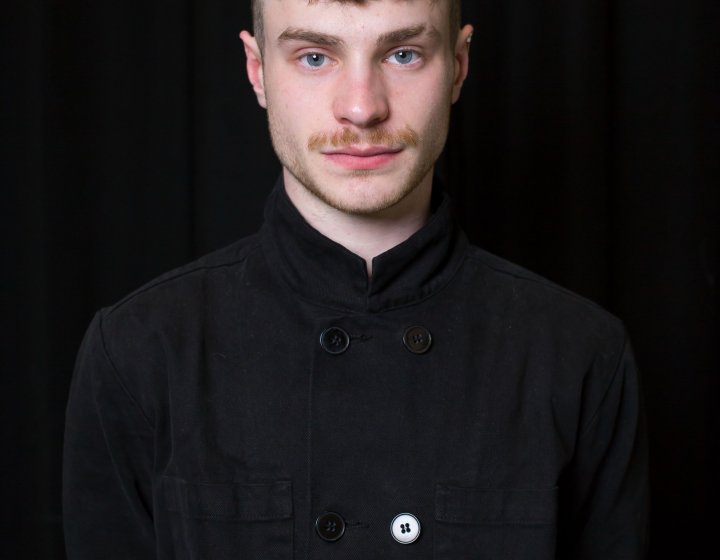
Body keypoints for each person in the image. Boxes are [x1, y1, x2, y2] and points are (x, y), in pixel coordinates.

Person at [63, 0, 648, 558]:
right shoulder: (138, 352)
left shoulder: (581, 356)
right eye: (315, 56)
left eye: (404, 54)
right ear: (258, 70)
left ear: (459, 66)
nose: (362, 108)